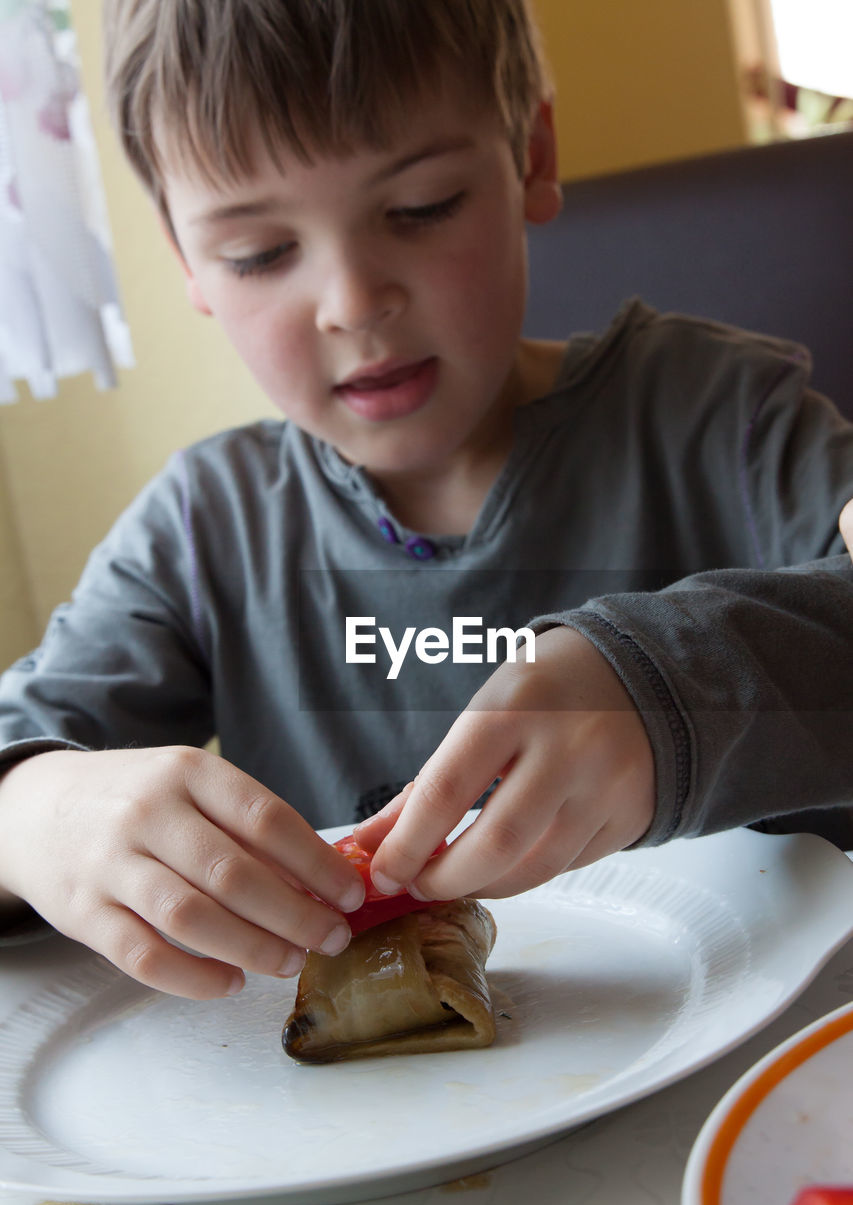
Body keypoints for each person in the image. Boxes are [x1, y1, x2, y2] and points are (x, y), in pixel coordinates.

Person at [0, 0, 851, 1000]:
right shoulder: (199, 533)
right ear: (188, 260)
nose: (353, 301)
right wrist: (32, 813)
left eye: (422, 207)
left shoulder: (724, 422)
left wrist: (674, 692)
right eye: (260, 254)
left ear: (530, 152)